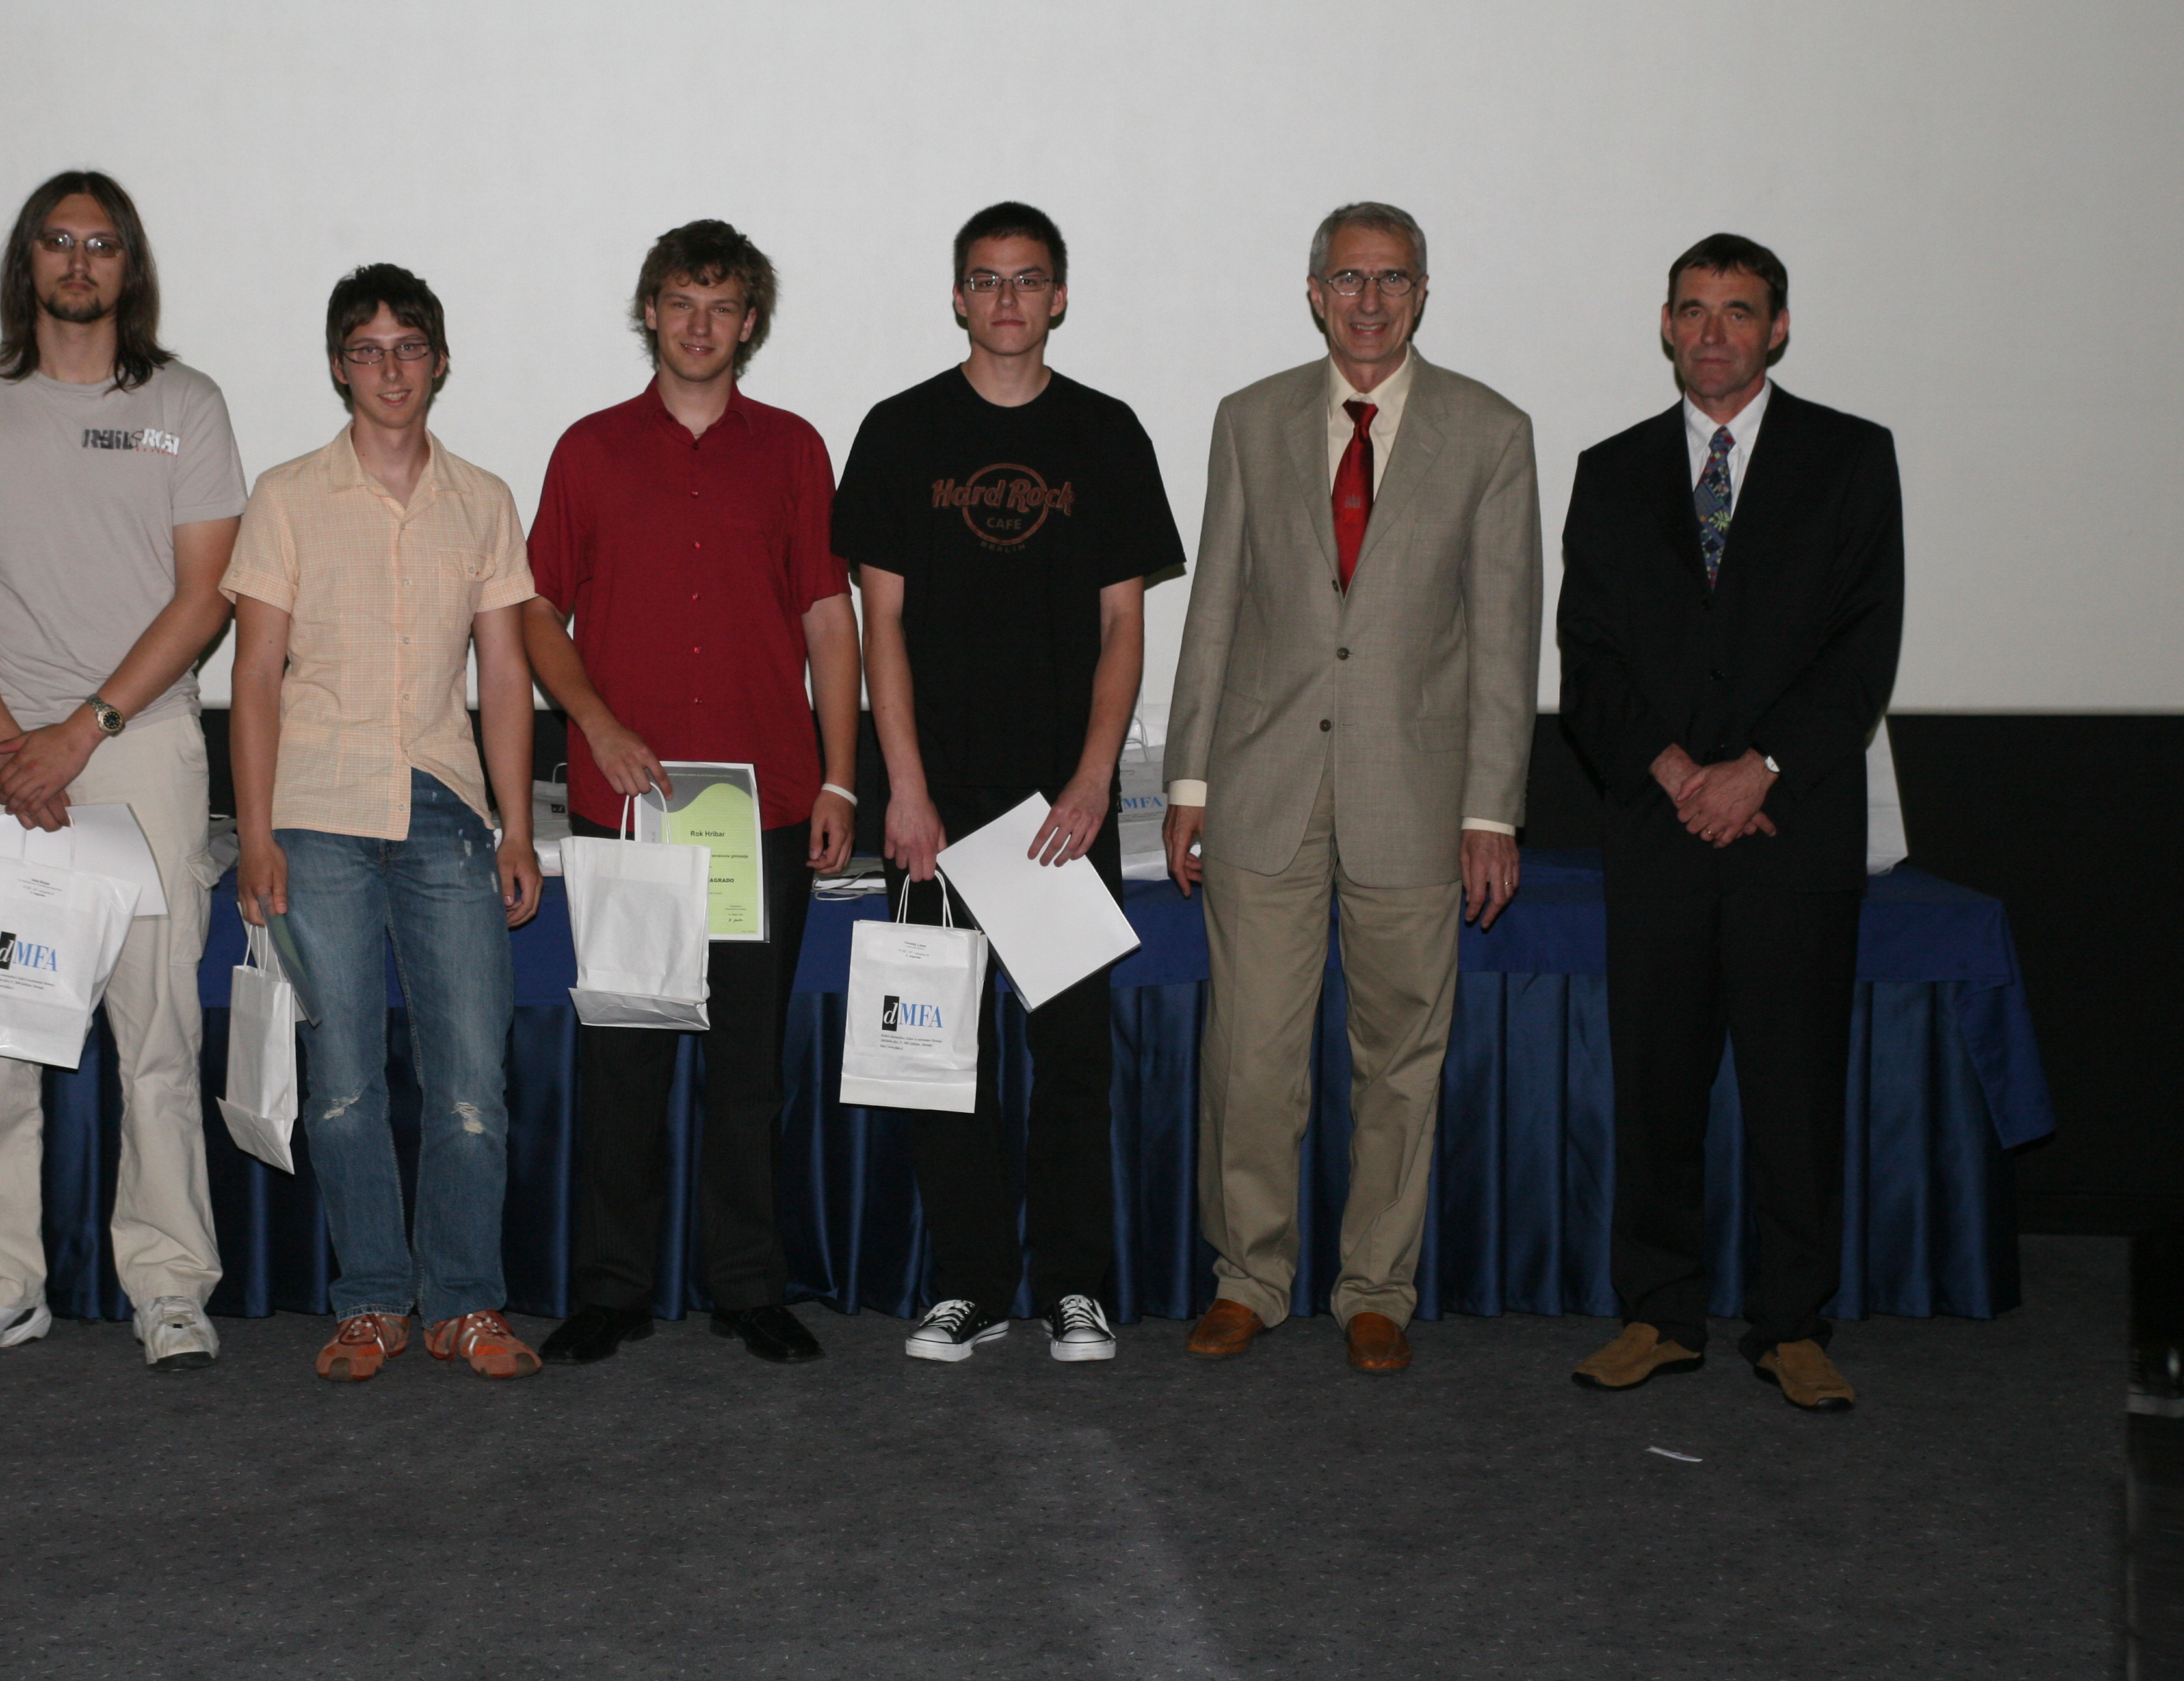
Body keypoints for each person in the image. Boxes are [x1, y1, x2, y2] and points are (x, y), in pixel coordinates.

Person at [1162, 202, 1540, 1374]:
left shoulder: (1491, 431)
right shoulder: (1250, 419)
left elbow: (1504, 640)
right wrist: (1189, 777)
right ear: (1314, 292)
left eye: (1392, 280)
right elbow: (1216, 606)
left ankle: (1377, 1288)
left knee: (1399, 1062)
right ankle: (1249, 1279)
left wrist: (1491, 811)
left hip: (1416, 798)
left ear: (1422, 293)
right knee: (1251, 1057)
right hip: (1261, 784)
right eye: (1347, 279)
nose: (1369, 301)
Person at [0, 170, 244, 1372]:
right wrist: (14, 746)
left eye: (102, 243)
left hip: (138, 749)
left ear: (128, 265)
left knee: (158, 1040)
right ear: (29, 261)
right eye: (59, 240)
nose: (80, 261)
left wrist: (83, 731)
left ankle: (170, 1285)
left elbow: (204, 598)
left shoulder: (186, 404)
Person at [832, 201, 1183, 1366]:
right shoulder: (900, 432)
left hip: (1058, 813)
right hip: (935, 809)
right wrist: (904, 791)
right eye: (986, 281)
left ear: (1060, 296)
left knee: (1073, 1061)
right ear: (957, 297)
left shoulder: (1107, 434)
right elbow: (880, 627)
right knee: (937, 1059)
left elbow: (1124, 627)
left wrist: (1092, 784)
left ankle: (1075, 1286)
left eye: (1028, 280)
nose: (1007, 300)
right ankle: (971, 1286)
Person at [1559, 234, 1902, 1413]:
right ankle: (1661, 1315)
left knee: (1795, 1093)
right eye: (1694, 310)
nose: (1714, 333)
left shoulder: (1851, 459)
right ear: (1665, 326)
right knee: (1656, 1090)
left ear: (1778, 329)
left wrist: (1759, 772)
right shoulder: (1611, 471)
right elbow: (1588, 657)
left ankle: (1793, 1325)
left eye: (1739, 311)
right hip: (1657, 833)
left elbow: (1863, 650)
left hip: (1790, 830)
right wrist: (1676, 773)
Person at [523, 220, 860, 1367]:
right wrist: (598, 725)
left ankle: (748, 1287)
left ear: (749, 322)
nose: (699, 325)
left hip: (765, 807)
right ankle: (612, 1288)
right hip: (632, 809)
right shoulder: (590, 451)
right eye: (680, 303)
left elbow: (829, 620)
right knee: (625, 1061)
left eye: (722, 307)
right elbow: (536, 611)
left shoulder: (795, 451)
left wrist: (842, 776)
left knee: (748, 1069)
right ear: (650, 313)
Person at [227, 263, 547, 1383]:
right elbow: (254, 678)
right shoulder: (286, 496)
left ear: (441, 362)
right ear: (338, 367)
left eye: (409, 347)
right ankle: (370, 1300)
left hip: (447, 808)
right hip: (315, 813)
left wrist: (517, 826)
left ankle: (463, 1303)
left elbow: (505, 678)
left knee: (471, 1083)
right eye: (367, 350)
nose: (391, 369)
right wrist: (253, 832)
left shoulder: (484, 499)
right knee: (345, 1080)